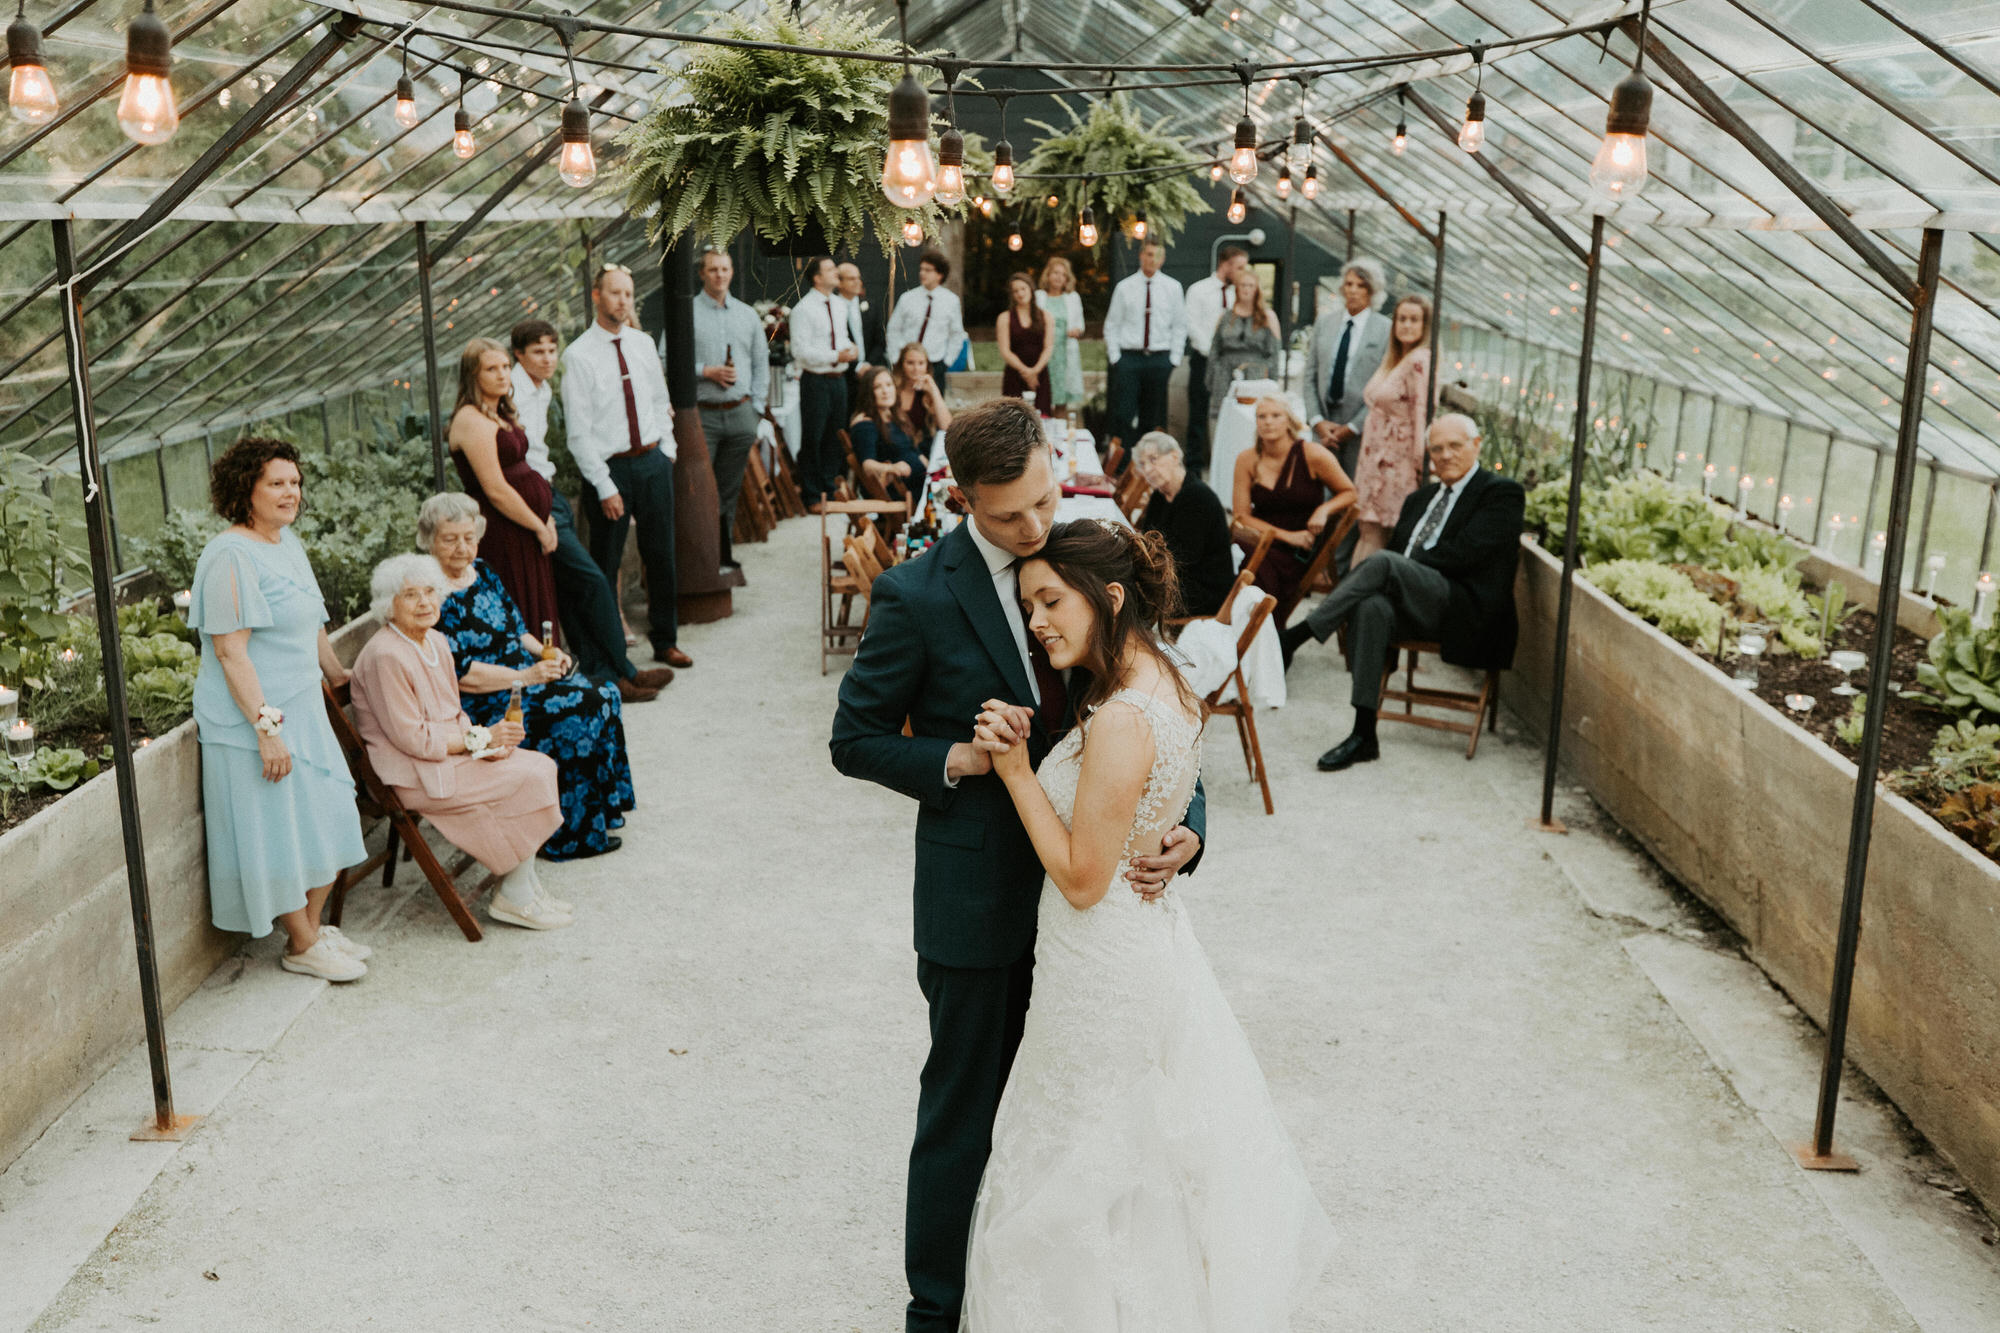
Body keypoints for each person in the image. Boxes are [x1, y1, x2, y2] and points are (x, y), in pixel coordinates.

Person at [830, 398, 1209, 1333]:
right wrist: (957, 757)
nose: (1034, 526)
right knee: (965, 1112)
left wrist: (1190, 824)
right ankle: (938, 1310)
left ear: (1053, 462)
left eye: (1043, 498)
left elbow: (1147, 699)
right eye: (1010, 516)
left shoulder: (1086, 550)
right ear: (963, 497)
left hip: (1094, 927)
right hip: (980, 902)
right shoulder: (917, 595)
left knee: (1084, 1119)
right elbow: (854, 739)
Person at [959, 521, 1333, 1326]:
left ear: (1111, 595)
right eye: (1029, 606)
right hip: (1140, 947)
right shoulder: (1166, 678)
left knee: (1079, 1164)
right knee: (1126, 1165)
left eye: (1051, 600)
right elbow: (1149, 806)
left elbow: (1085, 877)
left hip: (1099, 959)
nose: (1038, 622)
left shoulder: (1123, 715)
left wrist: (1019, 770)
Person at [191, 436, 368, 981]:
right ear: (247, 489)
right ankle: (303, 941)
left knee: (331, 814)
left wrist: (337, 673)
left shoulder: (286, 542)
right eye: (277, 483)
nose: (290, 493)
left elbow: (310, 619)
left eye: (295, 483)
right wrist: (267, 729)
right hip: (252, 720)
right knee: (277, 831)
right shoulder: (229, 555)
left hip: (304, 707)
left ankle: (309, 935)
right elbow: (229, 651)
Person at [1279, 413, 1525, 772]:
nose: (1445, 455)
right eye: (1436, 449)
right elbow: (1400, 556)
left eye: (1455, 446)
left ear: (1477, 445)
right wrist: (1402, 571)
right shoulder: (1420, 498)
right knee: (1373, 607)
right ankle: (1364, 733)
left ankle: (1296, 636)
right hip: (1415, 605)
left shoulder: (1501, 493)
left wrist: (1407, 568)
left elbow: (1469, 553)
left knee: (1385, 563)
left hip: (1463, 608)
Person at [349, 555, 572, 930]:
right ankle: (515, 894)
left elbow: (454, 713)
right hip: (412, 773)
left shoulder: (435, 640)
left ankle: (522, 885)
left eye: (430, 592)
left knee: (537, 765)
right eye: (410, 596)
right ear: (389, 606)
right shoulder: (386, 655)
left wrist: (486, 746)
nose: (424, 603)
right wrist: (481, 739)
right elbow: (413, 739)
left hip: (446, 756)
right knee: (528, 777)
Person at [422, 493, 636, 861]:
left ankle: (600, 812)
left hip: (524, 676)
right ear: (429, 540)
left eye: (469, 537)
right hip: (489, 697)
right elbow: (463, 676)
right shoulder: (430, 594)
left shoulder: (484, 571)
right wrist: (528, 675)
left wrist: (548, 653)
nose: (462, 548)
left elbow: (517, 629)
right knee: (578, 710)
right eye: (450, 538)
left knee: (604, 693)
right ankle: (566, 836)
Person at [509, 319, 671, 702]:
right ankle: (624, 671)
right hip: (537, 500)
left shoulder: (540, 388)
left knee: (572, 591)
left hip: (548, 492)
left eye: (552, 350)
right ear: (518, 355)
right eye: (538, 352)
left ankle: (605, 675)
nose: (548, 359)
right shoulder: (513, 390)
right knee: (595, 581)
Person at [563, 263, 693, 669]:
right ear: (597, 297)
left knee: (662, 555)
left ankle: (665, 640)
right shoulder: (578, 356)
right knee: (605, 562)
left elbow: (658, 400)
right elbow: (578, 433)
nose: (624, 301)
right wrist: (604, 486)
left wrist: (666, 451)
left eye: (628, 294)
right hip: (610, 469)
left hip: (652, 461)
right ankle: (607, 651)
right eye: (615, 293)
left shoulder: (641, 344)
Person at [449, 336, 559, 645]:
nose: (502, 375)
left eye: (506, 367)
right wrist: (538, 524)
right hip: (504, 530)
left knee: (538, 603)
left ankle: (549, 675)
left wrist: (544, 516)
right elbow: (495, 489)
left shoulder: (500, 412)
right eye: (491, 369)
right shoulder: (471, 419)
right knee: (518, 605)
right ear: (474, 375)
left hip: (525, 525)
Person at [1232, 395, 1357, 614]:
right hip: (1261, 537)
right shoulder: (1247, 459)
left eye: (1275, 415)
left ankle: (1262, 630)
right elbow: (1241, 517)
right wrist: (1284, 536)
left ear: (1289, 421)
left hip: (1300, 546)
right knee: (1240, 558)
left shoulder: (1313, 454)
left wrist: (1324, 509)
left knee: (1257, 567)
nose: (1268, 422)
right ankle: (1246, 628)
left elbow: (1350, 493)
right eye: (1262, 416)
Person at [693, 247, 772, 576]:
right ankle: (700, 560)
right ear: (702, 274)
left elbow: (760, 364)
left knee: (728, 490)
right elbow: (668, 361)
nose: (720, 275)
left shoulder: (747, 315)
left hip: (740, 414)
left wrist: (754, 410)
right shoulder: (687, 311)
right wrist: (706, 371)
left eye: (724, 269)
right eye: (713, 270)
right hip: (703, 415)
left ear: (731, 272)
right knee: (699, 490)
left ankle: (722, 557)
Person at [1352, 294, 1434, 565]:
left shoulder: (1420, 359)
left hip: (1395, 462)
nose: (1407, 325)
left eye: (1414, 320)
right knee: (1367, 529)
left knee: (1376, 531)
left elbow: (1423, 408)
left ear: (1425, 326)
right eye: (1402, 319)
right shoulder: (1396, 359)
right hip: (1375, 458)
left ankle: (1360, 598)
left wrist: (1420, 456)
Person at [1132, 431, 1235, 618]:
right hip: (1173, 579)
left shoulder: (1198, 497)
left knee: (1124, 595)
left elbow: (1184, 558)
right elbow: (1147, 539)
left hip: (1201, 591)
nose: (1147, 469)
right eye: (1142, 464)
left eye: (1153, 460)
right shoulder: (1160, 495)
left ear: (1174, 456)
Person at [1306, 258, 1392, 479]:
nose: (1353, 290)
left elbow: (1385, 387)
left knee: (1354, 491)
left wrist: (1354, 427)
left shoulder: (1385, 330)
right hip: (1323, 423)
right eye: (1349, 284)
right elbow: (1310, 375)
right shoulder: (1324, 323)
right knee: (1319, 486)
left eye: (1361, 285)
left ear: (1372, 291)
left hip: (1360, 426)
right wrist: (1316, 420)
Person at [787, 254, 858, 511]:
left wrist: (850, 349)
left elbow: (841, 337)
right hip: (815, 380)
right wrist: (834, 356)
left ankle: (830, 487)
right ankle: (812, 494)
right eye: (830, 269)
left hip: (838, 379)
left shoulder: (839, 305)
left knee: (835, 434)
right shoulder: (803, 309)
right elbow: (800, 351)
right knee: (813, 437)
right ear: (817, 278)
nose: (835, 272)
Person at [1102, 238, 1185, 446]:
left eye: (1157, 255)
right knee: (1124, 413)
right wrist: (1116, 358)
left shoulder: (1173, 288)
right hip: (1129, 358)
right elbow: (1112, 324)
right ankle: (1122, 466)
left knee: (1153, 416)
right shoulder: (1125, 288)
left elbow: (1180, 326)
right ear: (1141, 256)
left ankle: (1147, 467)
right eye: (1148, 254)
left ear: (1163, 259)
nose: (1152, 259)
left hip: (1159, 359)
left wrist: (1173, 359)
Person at [1182, 244, 1247, 470]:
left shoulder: (1239, 293)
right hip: (1203, 359)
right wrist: (1213, 352)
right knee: (1198, 414)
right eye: (1239, 267)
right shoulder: (1199, 290)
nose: (1242, 272)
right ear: (1225, 265)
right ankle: (1194, 466)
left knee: (1229, 413)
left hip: (1231, 363)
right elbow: (1192, 325)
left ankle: (1226, 464)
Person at [1204, 266, 1282, 439]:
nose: (1246, 289)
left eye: (1250, 285)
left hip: (1255, 376)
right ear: (1237, 288)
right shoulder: (1225, 317)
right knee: (1221, 426)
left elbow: (1274, 354)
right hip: (1224, 376)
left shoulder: (1267, 317)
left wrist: (1273, 386)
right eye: (1243, 285)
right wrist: (1212, 378)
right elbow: (1214, 350)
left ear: (1257, 289)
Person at [884, 250, 966, 397]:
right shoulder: (907, 298)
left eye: (928, 270)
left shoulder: (951, 300)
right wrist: (896, 358)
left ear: (939, 274)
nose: (922, 273)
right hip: (906, 363)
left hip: (935, 364)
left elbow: (957, 334)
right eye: (921, 269)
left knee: (932, 408)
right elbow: (893, 330)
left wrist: (947, 361)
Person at [850, 366, 926, 501]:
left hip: (920, 482)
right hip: (898, 491)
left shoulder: (895, 416)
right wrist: (892, 468)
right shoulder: (865, 423)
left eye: (889, 385)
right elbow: (867, 465)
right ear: (868, 392)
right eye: (877, 387)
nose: (885, 391)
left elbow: (915, 452)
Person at [995, 271, 1052, 418]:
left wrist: (1035, 371)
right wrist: (1026, 372)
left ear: (1031, 289)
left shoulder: (1046, 316)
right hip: (1015, 374)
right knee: (1013, 419)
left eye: (1023, 289)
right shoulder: (1005, 318)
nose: (1020, 293)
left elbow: (1048, 347)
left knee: (1041, 418)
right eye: (1015, 291)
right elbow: (1005, 351)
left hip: (1040, 375)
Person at [1034, 258, 1086, 416]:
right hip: (1044, 352)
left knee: (1062, 398)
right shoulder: (1039, 296)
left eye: (1063, 275)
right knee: (1043, 397)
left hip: (1065, 352)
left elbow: (1080, 325)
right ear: (1047, 275)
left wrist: (1076, 331)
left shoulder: (1073, 298)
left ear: (1067, 279)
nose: (1058, 277)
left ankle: (1060, 434)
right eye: (1055, 273)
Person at [892, 341, 952, 446]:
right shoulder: (892, 389)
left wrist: (933, 390)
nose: (916, 369)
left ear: (926, 366)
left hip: (923, 449)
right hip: (896, 448)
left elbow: (947, 427)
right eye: (910, 363)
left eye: (921, 363)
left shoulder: (928, 393)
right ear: (901, 364)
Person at [838, 260, 886, 373]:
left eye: (858, 278)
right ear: (839, 282)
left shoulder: (871, 306)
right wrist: (857, 367)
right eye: (851, 279)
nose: (857, 282)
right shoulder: (832, 308)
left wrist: (868, 366)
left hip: (871, 370)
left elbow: (880, 340)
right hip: (845, 372)